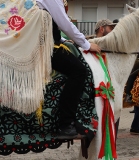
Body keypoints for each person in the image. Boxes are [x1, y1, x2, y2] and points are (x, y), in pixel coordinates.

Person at [36, 0, 101, 139]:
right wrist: (86, 44)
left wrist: (64, 41)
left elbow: (53, 25)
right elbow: (64, 23)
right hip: (45, 48)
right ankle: (65, 124)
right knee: (79, 71)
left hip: (45, 43)